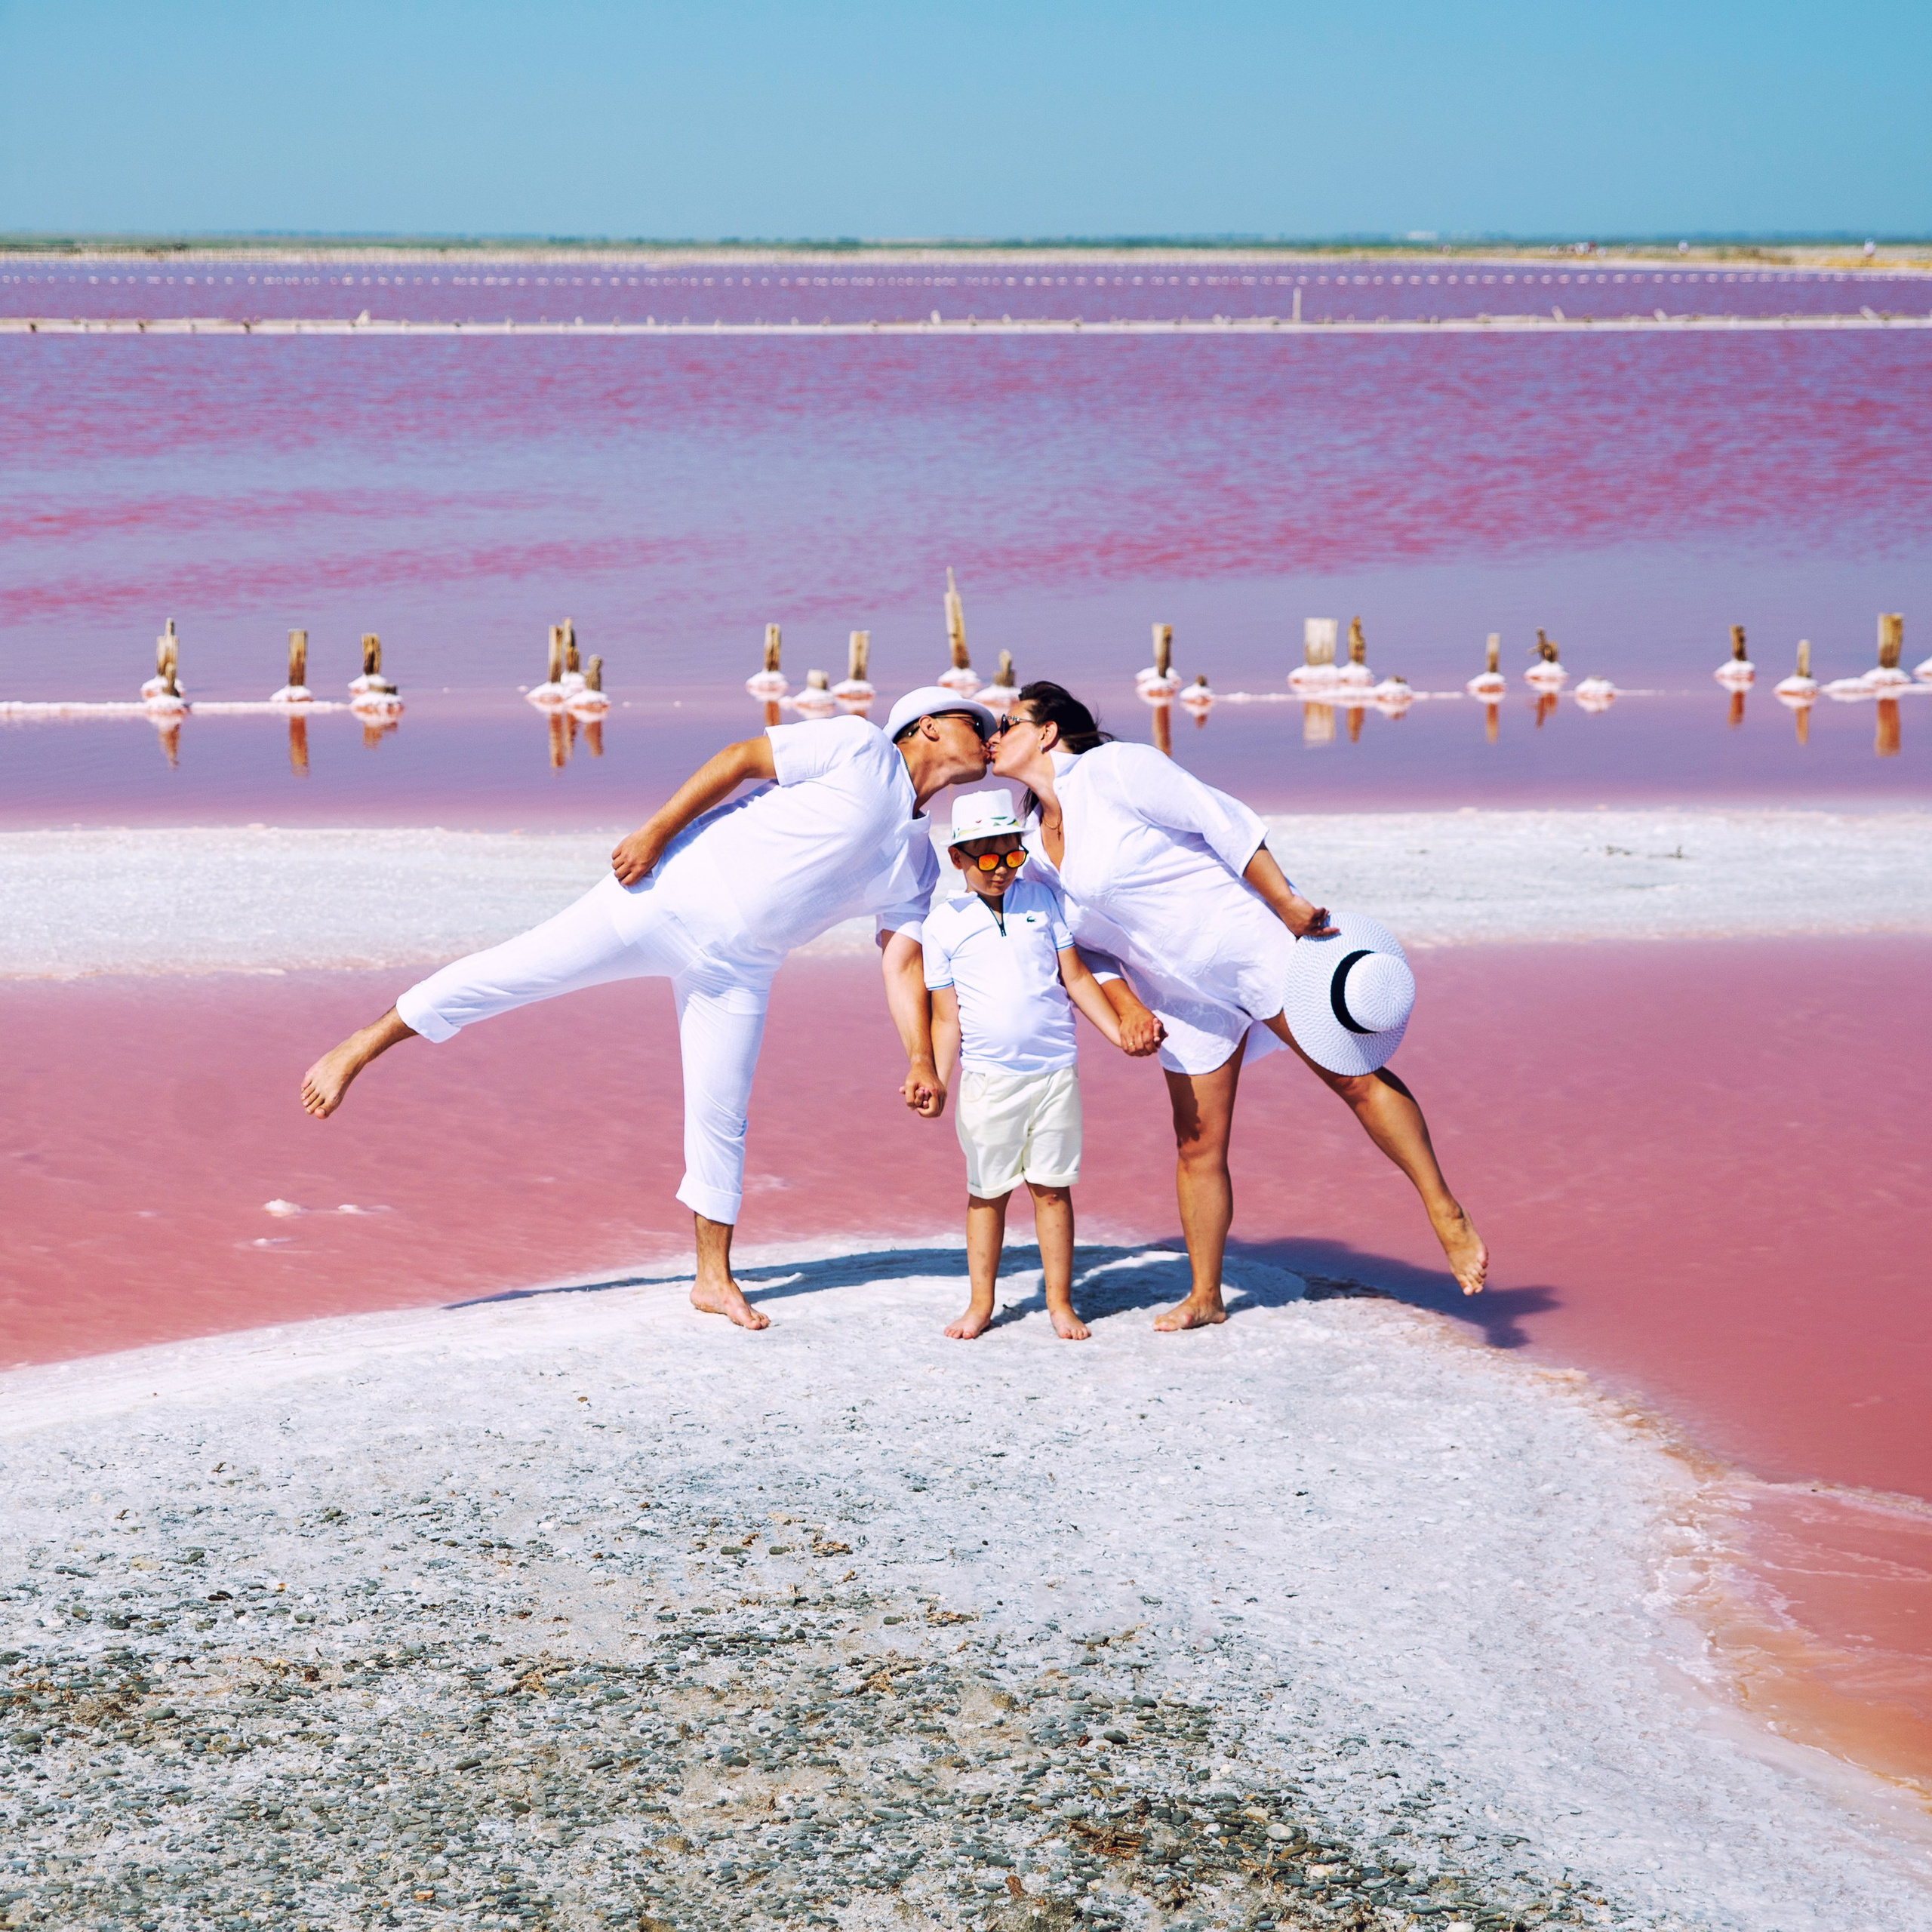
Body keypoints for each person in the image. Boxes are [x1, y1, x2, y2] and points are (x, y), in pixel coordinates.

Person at [298, 687, 995, 1330]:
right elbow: (741, 760)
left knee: (723, 1115)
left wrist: (919, 1057)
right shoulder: (859, 745)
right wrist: (655, 832)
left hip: (740, 972)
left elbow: (901, 961)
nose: (990, 736)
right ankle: (364, 1043)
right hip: (662, 898)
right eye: (979, 723)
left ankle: (712, 1279)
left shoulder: (921, 863)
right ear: (928, 725)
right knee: (515, 972)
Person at [987, 681, 1487, 1328]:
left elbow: (1219, 818)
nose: (994, 736)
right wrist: (1127, 1006)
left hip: (1252, 946)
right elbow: (1084, 946)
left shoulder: (1116, 770)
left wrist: (1284, 902)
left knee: (1352, 1078)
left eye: (1006, 721)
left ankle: (1444, 1208)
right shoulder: (1031, 845)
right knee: (1197, 1144)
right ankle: (1206, 1296)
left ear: (1048, 731)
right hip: (1182, 998)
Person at [914, 789, 1143, 1342]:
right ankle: (981, 1304)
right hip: (989, 1082)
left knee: (1052, 1189)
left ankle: (1060, 1303)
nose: (1000, 870)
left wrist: (1117, 1032)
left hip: (1054, 1073)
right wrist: (935, 1079)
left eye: (1011, 854)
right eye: (986, 858)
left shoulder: (1041, 901)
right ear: (958, 858)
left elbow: (1078, 979)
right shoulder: (943, 926)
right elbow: (946, 1020)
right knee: (987, 1192)